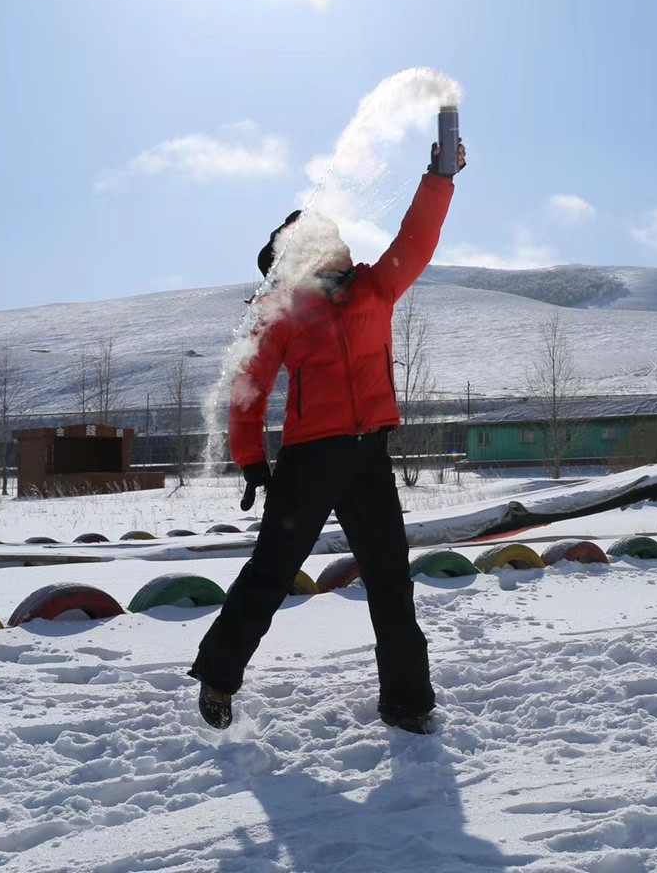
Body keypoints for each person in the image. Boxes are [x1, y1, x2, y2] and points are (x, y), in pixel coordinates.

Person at [189, 139, 467, 734]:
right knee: (271, 572)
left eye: (338, 236)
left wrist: (439, 178)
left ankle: (409, 704)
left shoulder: (375, 289)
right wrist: (251, 461)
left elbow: (417, 239)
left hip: (369, 457)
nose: (340, 244)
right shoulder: (282, 312)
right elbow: (249, 387)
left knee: (391, 581)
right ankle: (217, 674)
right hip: (308, 461)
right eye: (325, 238)